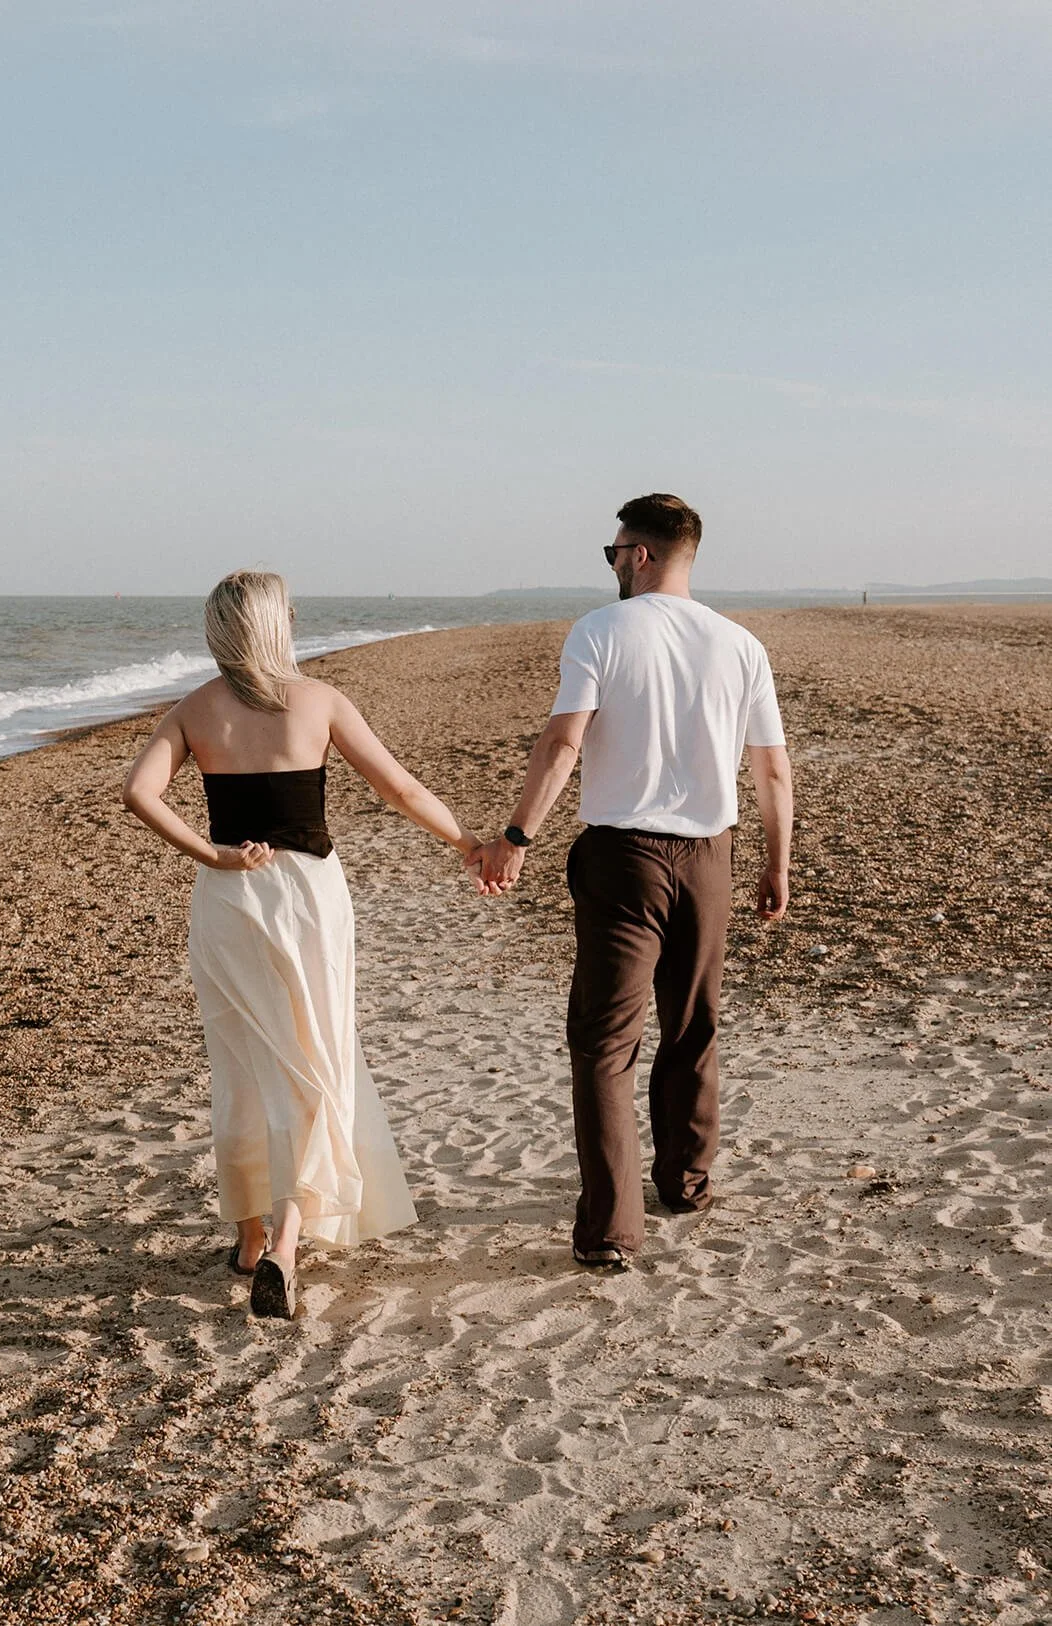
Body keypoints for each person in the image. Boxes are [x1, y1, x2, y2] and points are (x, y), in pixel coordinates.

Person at [122, 570, 479, 1319]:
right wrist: (468, 841)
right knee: (314, 1055)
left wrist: (213, 855)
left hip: (229, 899)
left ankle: (249, 1238)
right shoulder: (319, 702)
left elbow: (139, 793)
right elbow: (402, 790)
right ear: (275, 626)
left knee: (243, 1063)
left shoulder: (195, 710)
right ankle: (286, 1242)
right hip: (310, 898)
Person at [471, 495, 792, 1271]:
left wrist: (516, 838)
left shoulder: (601, 631)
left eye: (614, 550)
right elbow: (772, 767)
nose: (612, 563)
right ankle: (685, 1183)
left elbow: (562, 742)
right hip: (711, 857)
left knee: (606, 1043)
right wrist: (777, 862)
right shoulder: (740, 644)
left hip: (625, 858)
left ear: (640, 553)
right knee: (692, 1026)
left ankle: (612, 1230)